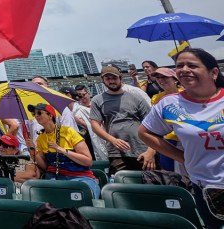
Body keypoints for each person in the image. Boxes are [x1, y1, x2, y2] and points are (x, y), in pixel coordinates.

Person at [139, 48, 224, 229]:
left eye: (192, 65)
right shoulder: (169, 104)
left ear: (214, 72)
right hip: (206, 188)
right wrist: (182, 157)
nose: (184, 69)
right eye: (179, 66)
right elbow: (145, 133)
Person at [90, 65, 155, 174]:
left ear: (121, 78)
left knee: (150, 184)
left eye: (114, 78)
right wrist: (113, 140)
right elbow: (95, 125)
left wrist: (151, 151)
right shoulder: (97, 100)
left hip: (142, 150)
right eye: (108, 79)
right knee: (120, 185)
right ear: (103, 81)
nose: (111, 81)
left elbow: (153, 126)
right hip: (116, 152)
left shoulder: (136, 98)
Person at [29, 103, 100, 198]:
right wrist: (33, 150)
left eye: (39, 113)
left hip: (79, 176)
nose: (36, 116)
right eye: (34, 114)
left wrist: (61, 150)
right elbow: (45, 166)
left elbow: (88, 161)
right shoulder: (40, 139)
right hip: (54, 177)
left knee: (85, 199)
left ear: (50, 115)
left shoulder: (68, 132)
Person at [72, 85, 106, 161]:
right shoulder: (77, 110)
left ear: (88, 93)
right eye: (79, 96)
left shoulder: (98, 104)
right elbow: (86, 128)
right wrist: (80, 122)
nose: (82, 97)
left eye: (83, 94)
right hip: (92, 139)